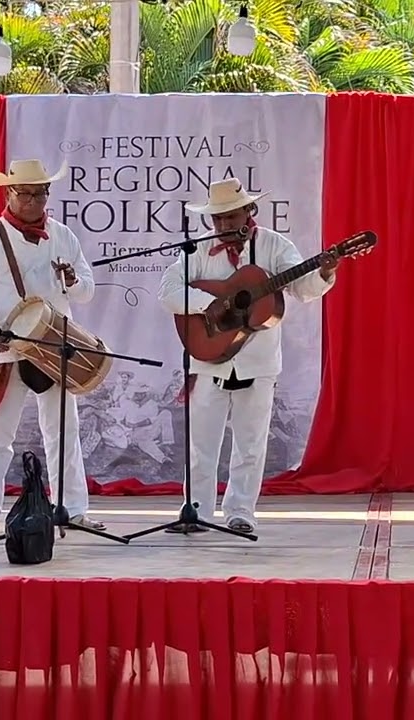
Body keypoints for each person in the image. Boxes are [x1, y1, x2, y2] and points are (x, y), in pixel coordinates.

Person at [159, 178, 337, 535]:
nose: (223, 226)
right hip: (208, 358)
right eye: (217, 219)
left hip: (257, 361)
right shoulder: (196, 252)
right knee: (202, 444)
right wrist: (211, 305)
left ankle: (241, 511)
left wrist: (325, 271)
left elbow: (303, 289)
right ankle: (196, 511)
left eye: (230, 217)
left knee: (251, 443)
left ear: (248, 211)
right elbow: (168, 292)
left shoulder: (274, 245)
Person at [0, 159, 104, 534]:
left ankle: (72, 508)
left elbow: (86, 290)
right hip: (5, 348)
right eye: (26, 194)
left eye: (41, 193)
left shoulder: (63, 235)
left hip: (56, 347)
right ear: (9, 193)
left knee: (63, 430)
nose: (34, 201)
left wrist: (72, 280)